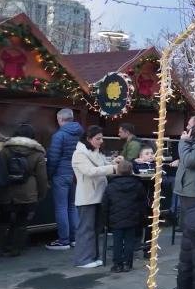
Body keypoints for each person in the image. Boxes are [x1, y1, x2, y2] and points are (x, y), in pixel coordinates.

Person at [0, 124, 48, 257]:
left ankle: (0, 248)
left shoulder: (5, 150)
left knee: (3, 221)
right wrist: (41, 194)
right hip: (28, 192)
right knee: (22, 222)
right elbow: (42, 177)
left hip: (6, 191)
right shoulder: (37, 152)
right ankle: (16, 249)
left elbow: (0, 171)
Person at [72, 125, 118, 268]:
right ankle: (83, 259)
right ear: (88, 139)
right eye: (98, 138)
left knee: (95, 228)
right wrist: (113, 168)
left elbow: (103, 166)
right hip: (87, 196)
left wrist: (114, 163)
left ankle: (92, 257)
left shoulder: (96, 152)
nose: (101, 141)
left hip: (98, 195)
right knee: (86, 228)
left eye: (101, 138)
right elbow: (89, 171)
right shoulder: (79, 154)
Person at [46, 108, 83, 250]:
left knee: (61, 207)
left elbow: (53, 158)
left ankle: (63, 240)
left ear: (60, 119)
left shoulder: (59, 135)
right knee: (72, 206)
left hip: (61, 174)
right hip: (75, 174)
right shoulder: (80, 133)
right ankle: (75, 238)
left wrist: (49, 175)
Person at [102, 160, 144, 272]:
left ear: (118, 171)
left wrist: (105, 221)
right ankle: (127, 263)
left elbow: (105, 204)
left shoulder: (111, 186)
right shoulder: (138, 184)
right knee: (130, 241)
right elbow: (142, 202)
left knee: (117, 241)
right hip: (132, 217)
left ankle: (117, 264)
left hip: (116, 219)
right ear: (131, 171)